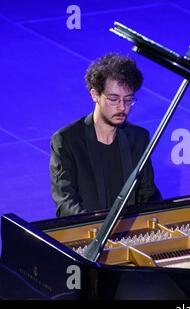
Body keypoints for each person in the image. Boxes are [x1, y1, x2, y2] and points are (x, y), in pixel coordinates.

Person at [50, 53, 161, 217]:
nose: (122, 108)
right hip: (87, 235)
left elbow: (148, 193)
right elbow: (65, 202)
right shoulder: (67, 140)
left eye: (128, 100)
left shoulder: (138, 138)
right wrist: (95, 226)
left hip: (129, 234)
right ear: (95, 95)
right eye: (113, 99)